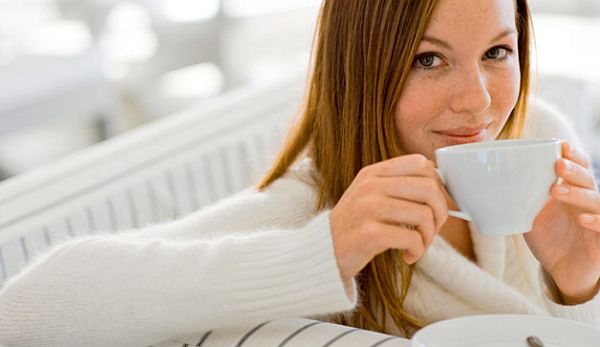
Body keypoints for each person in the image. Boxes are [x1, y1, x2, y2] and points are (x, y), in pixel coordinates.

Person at [1, 0, 600, 345]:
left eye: (497, 52)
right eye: (428, 59)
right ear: (360, 73)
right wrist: (324, 254)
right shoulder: (316, 208)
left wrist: (578, 286)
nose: (478, 102)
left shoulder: (541, 135)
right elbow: (25, 310)